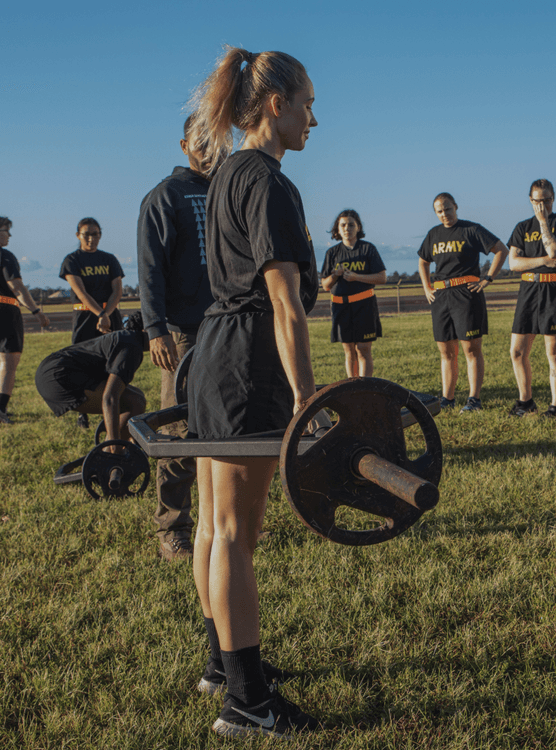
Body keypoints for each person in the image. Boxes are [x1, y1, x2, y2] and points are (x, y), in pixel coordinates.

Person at [186, 46, 321, 738]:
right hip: (246, 364)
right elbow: (286, 304)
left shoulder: (227, 173)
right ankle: (246, 703)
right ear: (276, 103)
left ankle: (224, 664)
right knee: (237, 534)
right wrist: (306, 395)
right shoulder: (267, 181)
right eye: (307, 104)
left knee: (214, 525)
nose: (313, 120)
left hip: (215, 358)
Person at [137, 115, 216, 561]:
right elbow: (149, 270)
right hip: (183, 334)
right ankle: (173, 527)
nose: (209, 147)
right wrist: (156, 329)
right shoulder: (166, 196)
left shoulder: (227, 187)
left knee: (230, 428)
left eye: (217, 138)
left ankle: (222, 519)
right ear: (185, 143)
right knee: (178, 431)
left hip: (229, 329)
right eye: (201, 140)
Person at [418, 193, 508, 413]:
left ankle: (473, 399)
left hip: (466, 295)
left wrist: (488, 278)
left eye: (448, 209)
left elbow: (501, 250)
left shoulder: (471, 230)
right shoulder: (433, 234)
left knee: (471, 348)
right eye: (439, 211)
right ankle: (447, 399)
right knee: (446, 351)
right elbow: (423, 261)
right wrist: (427, 287)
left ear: (456, 207)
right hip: (441, 296)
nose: (444, 214)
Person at [507, 179, 556, 418]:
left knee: (554, 353)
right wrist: (541, 262)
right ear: (530, 200)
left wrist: (543, 222)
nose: (542, 204)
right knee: (517, 351)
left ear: (553, 198)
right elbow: (513, 263)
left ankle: (555, 407)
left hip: (555, 292)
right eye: (538, 200)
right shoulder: (521, 227)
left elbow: (555, 251)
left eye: (547, 199)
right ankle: (525, 402)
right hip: (528, 291)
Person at [35, 313, 147, 442]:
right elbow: (110, 398)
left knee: (137, 396)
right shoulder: (132, 346)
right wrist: (114, 446)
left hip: (51, 367)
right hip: (57, 376)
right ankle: (112, 454)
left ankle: (121, 450)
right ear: (145, 330)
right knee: (135, 401)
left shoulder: (128, 338)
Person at [320, 210, 386, 377]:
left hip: (364, 305)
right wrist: (335, 274)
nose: (347, 228)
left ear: (358, 227)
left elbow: (382, 277)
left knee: (363, 349)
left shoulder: (367, 249)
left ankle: (365, 388)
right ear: (337, 229)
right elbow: (325, 285)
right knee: (349, 350)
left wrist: (357, 277)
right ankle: (352, 388)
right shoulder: (332, 253)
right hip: (341, 307)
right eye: (343, 225)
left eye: (351, 224)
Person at [0, 217, 50, 424]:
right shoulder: (5, 256)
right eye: (6, 231)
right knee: (9, 361)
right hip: (5, 312)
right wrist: (36, 311)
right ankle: (1, 409)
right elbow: (17, 287)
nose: (9, 235)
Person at [60, 218, 125, 345]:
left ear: (100, 235)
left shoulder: (109, 259)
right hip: (85, 318)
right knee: (84, 359)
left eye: (95, 234)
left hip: (110, 315)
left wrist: (106, 315)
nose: (91, 239)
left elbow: (117, 291)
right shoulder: (72, 260)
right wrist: (101, 314)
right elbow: (81, 292)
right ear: (78, 235)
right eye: (86, 234)